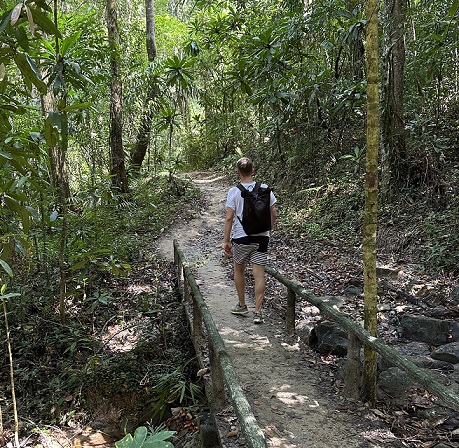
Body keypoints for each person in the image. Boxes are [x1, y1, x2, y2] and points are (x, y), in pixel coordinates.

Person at [223, 157, 277, 324]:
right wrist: (270, 229)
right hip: (262, 237)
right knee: (259, 273)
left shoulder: (234, 192)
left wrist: (226, 241)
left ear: (238, 173)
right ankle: (258, 313)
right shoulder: (265, 188)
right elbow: (273, 212)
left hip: (241, 238)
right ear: (253, 171)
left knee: (239, 270)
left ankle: (242, 305)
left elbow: (229, 218)